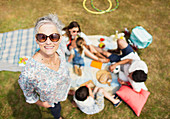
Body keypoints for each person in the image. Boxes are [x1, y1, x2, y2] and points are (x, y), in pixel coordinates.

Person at [18, 14, 71, 119]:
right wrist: (42, 104)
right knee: (56, 109)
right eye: (42, 37)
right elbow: (29, 94)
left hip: (63, 89)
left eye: (54, 37)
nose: (48, 42)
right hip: (52, 101)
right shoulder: (29, 73)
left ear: (60, 38)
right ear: (36, 40)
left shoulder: (60, 51)